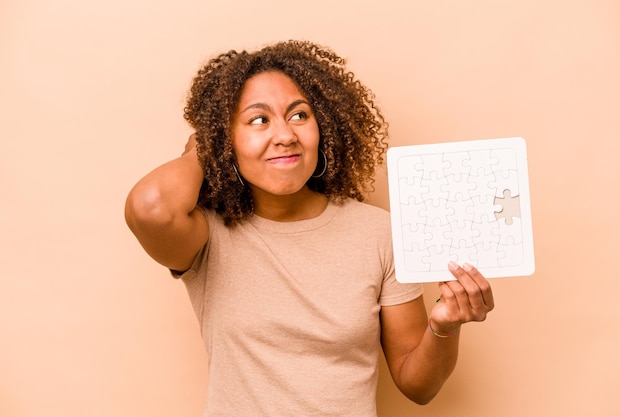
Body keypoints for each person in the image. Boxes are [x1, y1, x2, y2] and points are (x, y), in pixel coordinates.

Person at [124, 40, 494, 416]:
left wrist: (445, 326)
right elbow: (150, 207)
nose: (285, 135)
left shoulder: (379, 233)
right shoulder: (208, 234)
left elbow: (418, 385)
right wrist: (205, 145)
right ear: (227, 139)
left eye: (299, 115)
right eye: (258, 120)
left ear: (325, 128)